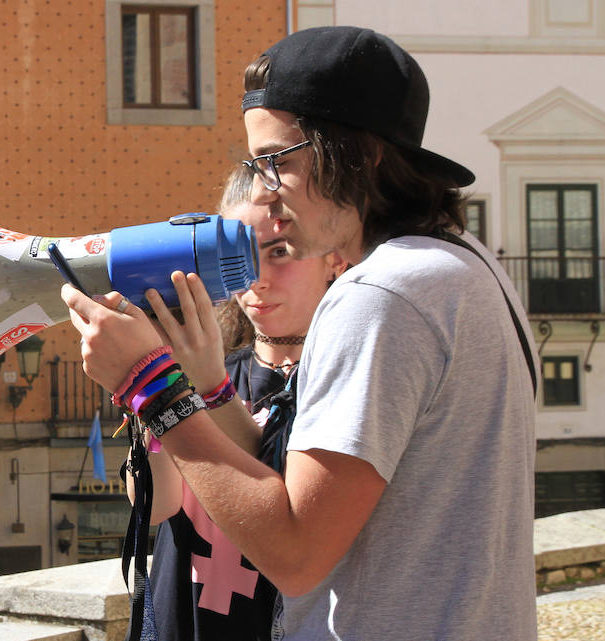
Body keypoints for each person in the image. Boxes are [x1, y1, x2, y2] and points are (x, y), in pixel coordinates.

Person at [64, 26, 538, 641]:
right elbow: (300, 490)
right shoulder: (470, 264)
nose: (264, 191)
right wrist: (202, 387)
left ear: (360, 155)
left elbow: (294, 556)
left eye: (278, 161)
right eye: (254, 165)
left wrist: (149, 384)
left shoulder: (378, 295)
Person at [138, 164, 345, 641]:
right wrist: (152, 384)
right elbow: (153, 506)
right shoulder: (215, 366)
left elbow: (290, 505)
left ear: (332, 256)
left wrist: (206, 388)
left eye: (278, 252)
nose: (256, 278)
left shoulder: (345, 378)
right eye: (236, 257)